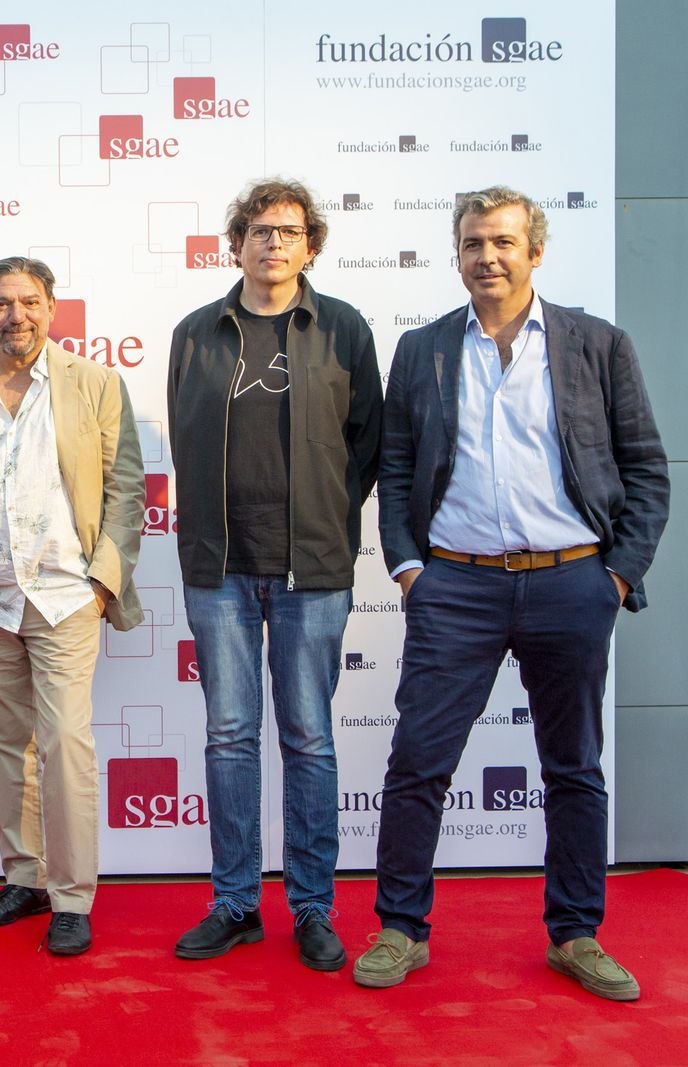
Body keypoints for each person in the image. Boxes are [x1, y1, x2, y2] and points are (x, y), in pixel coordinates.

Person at [354, 186, 669, 1000]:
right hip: (454, 583)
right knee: (418, 759)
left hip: (572, 580)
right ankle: (400, 926)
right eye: (471, 243)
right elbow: (394, 470)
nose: (486, 256)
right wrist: (410, 569)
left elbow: (645, 469)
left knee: (573, 766)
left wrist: (617, 574)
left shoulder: (595, 344)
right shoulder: (421, 350)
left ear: (535, 249)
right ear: (456, 254)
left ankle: (575, 933)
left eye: (502, 241)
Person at [167, 178, 382, 971]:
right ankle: (233, 903)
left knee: (310, 739)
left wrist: (324, 513)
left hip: (313, 570)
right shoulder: (196, 333)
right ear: (237, 243)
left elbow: (367, 444)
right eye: (259, 230)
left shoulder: (344, 329)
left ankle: (314, 908)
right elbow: (188, 446)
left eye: (289, 231)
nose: (273, 243)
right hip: (218, 566)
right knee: (228, 738)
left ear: (311, 245)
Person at [0, 256, 144, 956]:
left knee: (64, 744)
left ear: (51, 309)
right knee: (4, 749)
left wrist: (102, 580)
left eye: (27, 301)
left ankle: (73, 894)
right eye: (0, 302)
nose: (14, 314)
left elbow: (125, 489)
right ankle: (26, 877)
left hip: (63, 596)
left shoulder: (95, 384)